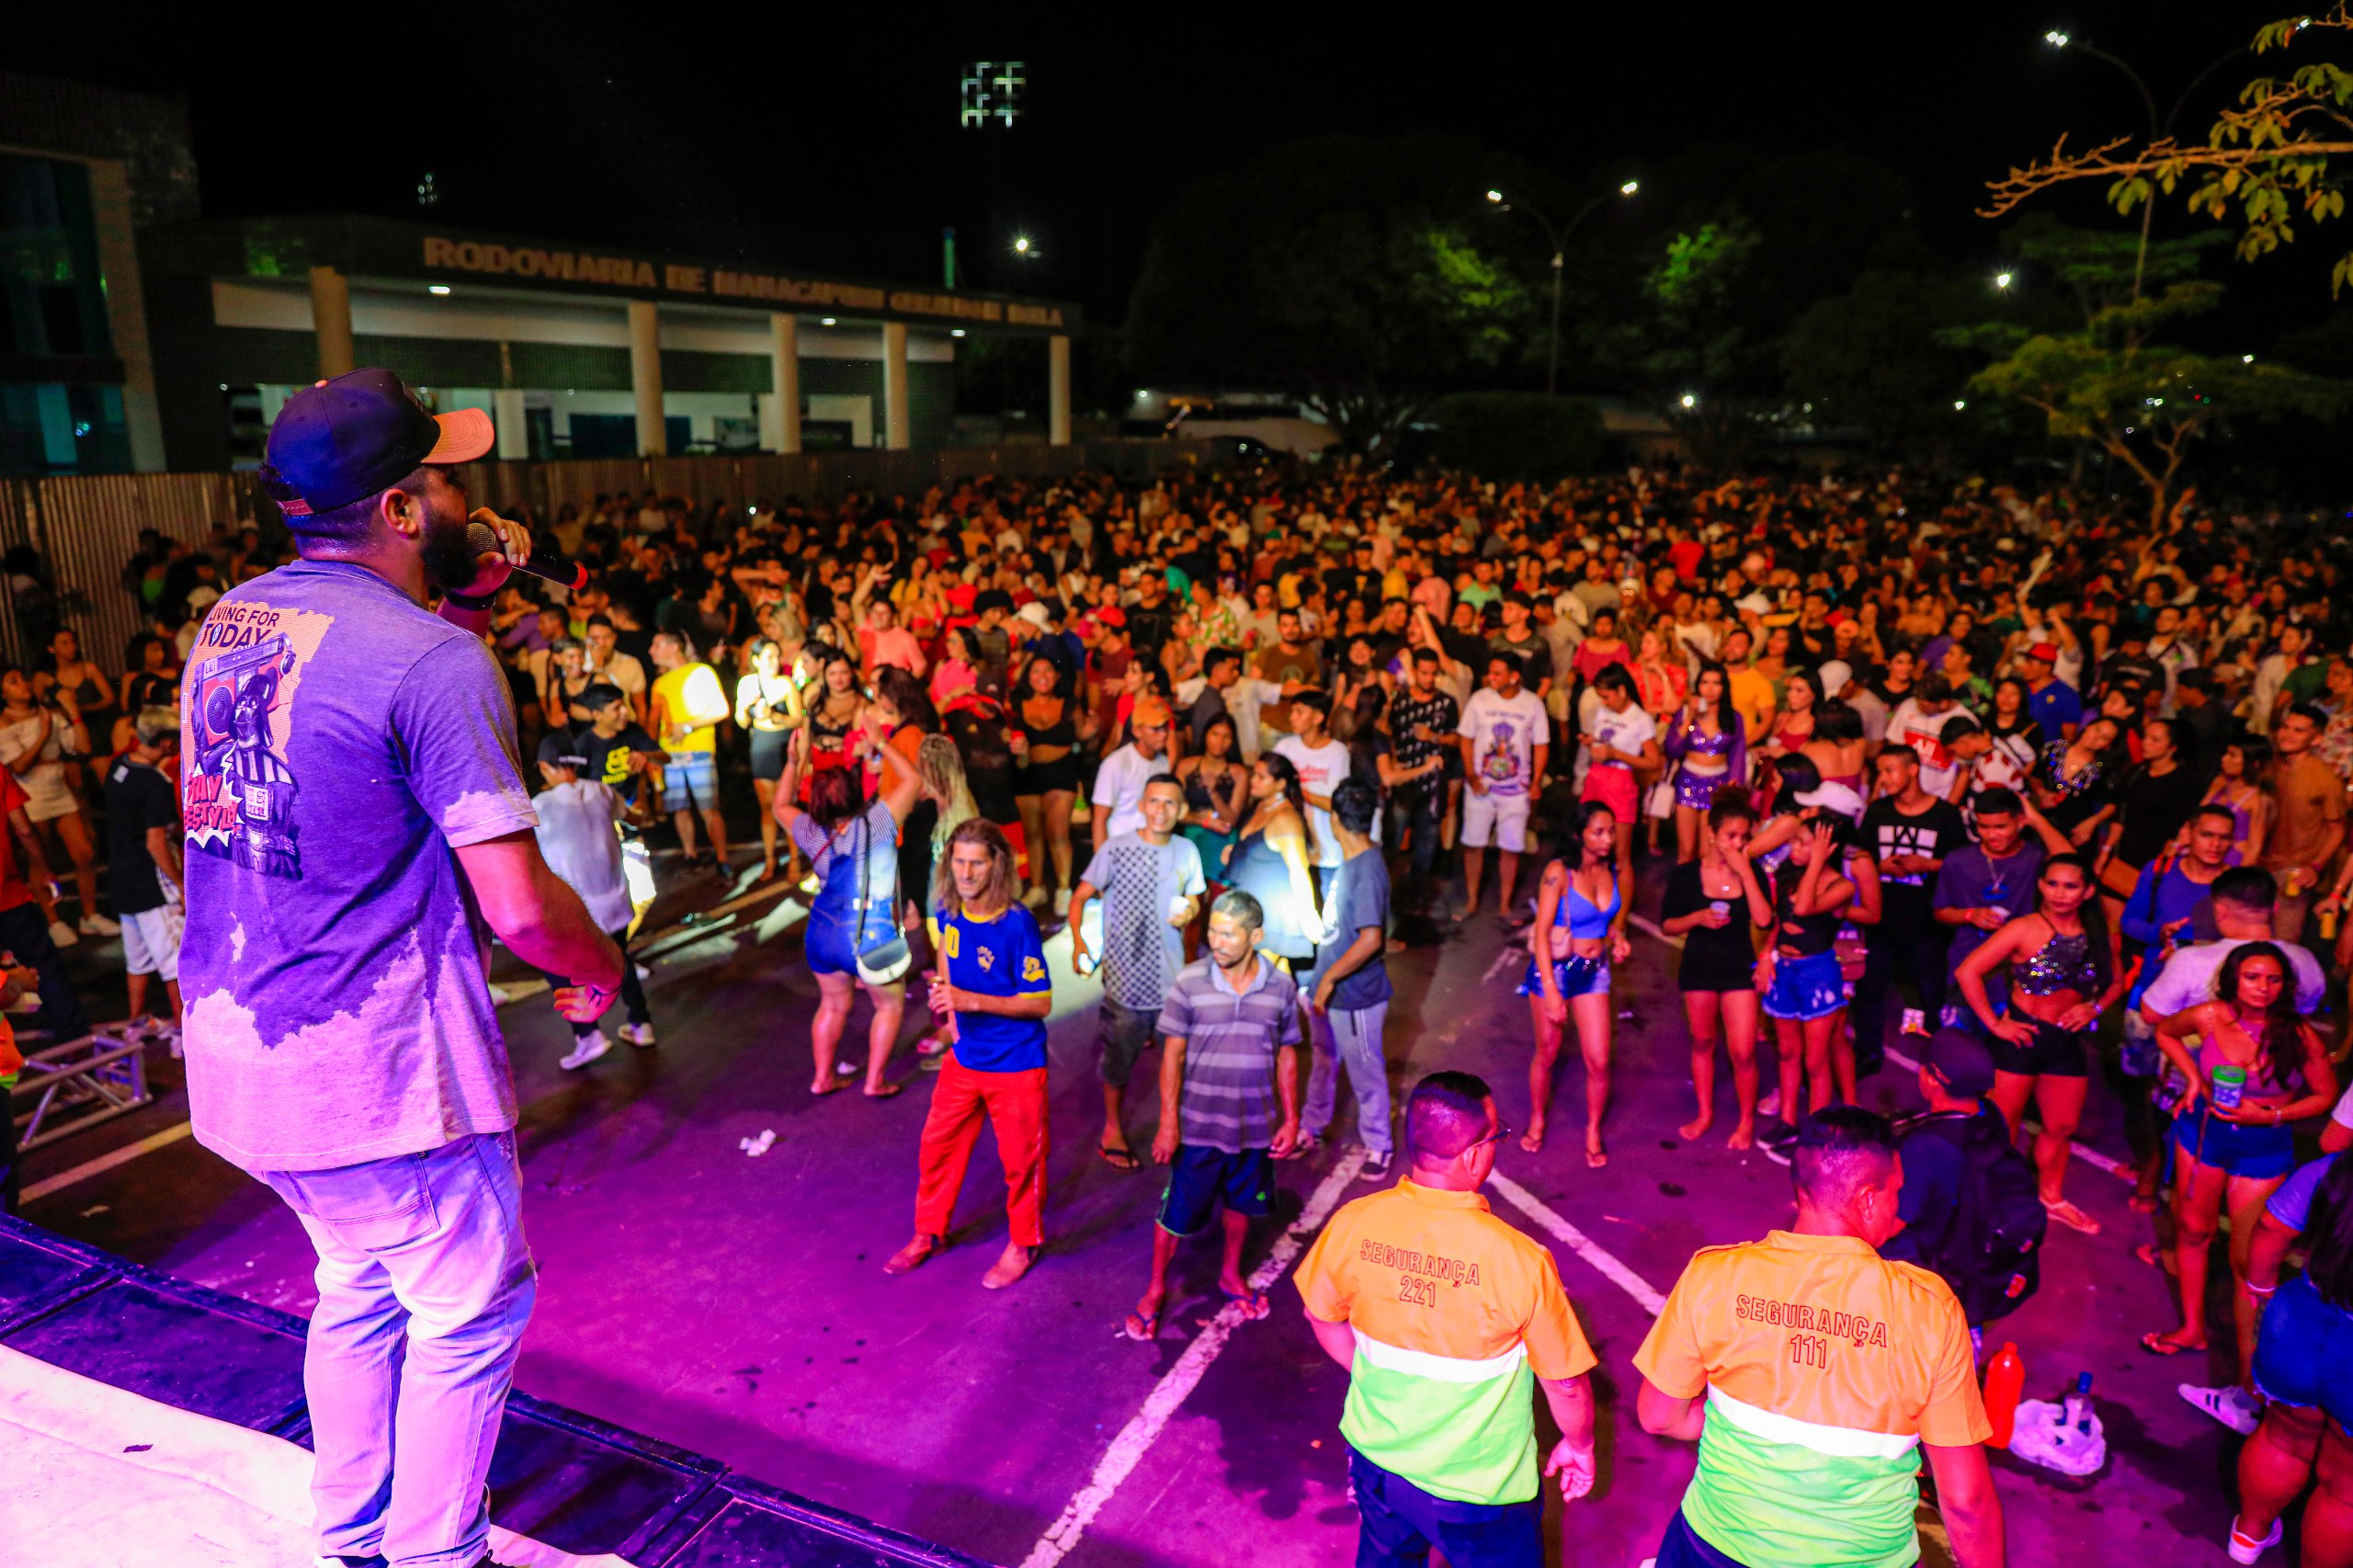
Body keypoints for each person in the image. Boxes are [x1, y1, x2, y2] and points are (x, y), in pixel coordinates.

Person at [187, 369, 623, 1568]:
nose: (458, 492)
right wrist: (601, 966)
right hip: (376, 1069)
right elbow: (522, 906)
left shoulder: (230, 623)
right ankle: (435, 1551)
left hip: (244, 1057)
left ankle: (350, 1524)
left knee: (359, 1284)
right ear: (394, 508)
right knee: (468, 1307)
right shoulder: (433, 662)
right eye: (437, 477)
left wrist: (461, 584)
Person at [1634, 1107, 2005, 1568]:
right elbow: (1965, 1503)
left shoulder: (1716, 1275)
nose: (1899, 1206)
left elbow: (1657, 1416)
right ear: (1868, 1199)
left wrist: (1745, 1429)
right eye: (1897, 1192)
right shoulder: (1929, 1310)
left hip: (1713, 1550)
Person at [1294, 1071, 1599, 1568]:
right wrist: (1580, 1445)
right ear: (1475, 1154)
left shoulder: (1354, 1222)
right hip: (1479, 1492)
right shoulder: (1518, 1260)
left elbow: (1320, 1315)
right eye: (1498, 1135)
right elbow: (1565, 1385)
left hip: (1378, 1465)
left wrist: (1377, 1378)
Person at [2143, 942, 2339, 1432]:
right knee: (2191, 1231)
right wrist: (2192, 1080)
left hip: (2262, 1152)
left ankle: (2252, 1384)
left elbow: (2325, 1096)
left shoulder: (2296, 1034)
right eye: (2253, 977)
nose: (2263, 988)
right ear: (2233, 979)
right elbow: (2165, 1030)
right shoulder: (2210, 1016)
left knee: (2249, 1264)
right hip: (2203, 1137)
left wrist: (2268, 1113)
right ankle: (2191, 1329)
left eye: (2272, 980)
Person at [1123, 888, 1304, 1338]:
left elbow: (1287, 1054)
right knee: (1176, 1216)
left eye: (1228, 934)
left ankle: (1229, 1275)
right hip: (1199, 1127)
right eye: (1212, 933)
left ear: (1255, 935)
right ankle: (1155, 1288)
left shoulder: (1280, 988)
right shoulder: (1189, 982)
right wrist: (1168, 1123)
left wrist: (1292, 1117)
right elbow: (1172, 1057)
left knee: (1241, 1207)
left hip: (1255, 1127)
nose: (1217, 942)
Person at [889, 819, 1053, 1290]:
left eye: (976, 862)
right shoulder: (949, 909)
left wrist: (968, 1001)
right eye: (959, 861)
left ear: (996, 864)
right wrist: (949, 1015)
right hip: (965, 1059)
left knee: (1022, 1162)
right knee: (936, 1148)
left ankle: (1024, 1243)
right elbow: (946, 961)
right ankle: (929, 1232)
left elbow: (1040, 1003)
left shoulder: (1017, 924)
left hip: (1017, 1065)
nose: (965, 871)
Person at [1952, 852, 2121, 1234]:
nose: (2060, 894)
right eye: (2052, 884)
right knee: (2001, 1127)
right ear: (2041, 886)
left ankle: (2052, 1196)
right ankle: (1990, 1201)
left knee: (2061, 1126)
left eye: (2071, 885)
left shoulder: (2100, 931)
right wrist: (1995, 1024)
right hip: (2022, 1036)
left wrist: (2093, 1008)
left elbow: (2116, 983)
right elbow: (1968, 971)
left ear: (2088, 890)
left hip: (2065, 1042)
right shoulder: (2025, 928)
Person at [1069, 773, 1205, 1172]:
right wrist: (1080, 943)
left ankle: (1169, 1124)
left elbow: (1196, 900)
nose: (1160, 810)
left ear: (1180, 811)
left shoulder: (1186, 851)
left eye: (1169, 804)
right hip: (1125, 983)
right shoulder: (1115, 849)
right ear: (1142, 806)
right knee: (1118, 1062)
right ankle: (1112, 1127)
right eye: (1154, 802)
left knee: (1175, 1060)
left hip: (1172, 982)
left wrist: (1191, 910)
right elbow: (1079, 899)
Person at [774, 724, 917, 1096]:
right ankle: (875, 1081)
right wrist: (883, 745)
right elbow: (913, 779)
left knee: (833, 1006)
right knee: (888, 1006)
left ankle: (823, 1078)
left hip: (823, 930)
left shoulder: (808, 829)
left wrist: (794, 762)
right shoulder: (880, 822)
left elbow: (779, 805)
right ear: (855, 792)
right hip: (870, 931)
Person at [2230, 1153, 2353, 1565]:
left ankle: (2247, 1537)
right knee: (2345, 1489)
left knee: (2283, 1437)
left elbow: (2271, 1227)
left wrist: (2261, 1287)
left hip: (2300, 1322)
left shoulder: (2337, 1167)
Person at [1883, 1028, 2045, 1333]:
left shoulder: (1923, 1148)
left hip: (1927, 1281)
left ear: (1932, 1080)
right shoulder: (1990, 1115)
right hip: (1970, 1270)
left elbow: (1890, 1225)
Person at [531, 737, 656, 1068]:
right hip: (615, 902)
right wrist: (642, 784)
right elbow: (634, 817)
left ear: (545, 767)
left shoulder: (540, 806)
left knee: (560, 971)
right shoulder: (602, 791)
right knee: (620, 961)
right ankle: (641, 1024)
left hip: (576, 912)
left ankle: (588, 1036)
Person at [1519, 801, 1631, 1166]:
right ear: (1578, 833)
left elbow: (1602, 921)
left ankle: (1593, 1129)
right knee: (1547, 1053)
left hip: (1593, 972)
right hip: (1555, 972)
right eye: (1599, 831)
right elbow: (1540, 934)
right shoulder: (1559, 873)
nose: (1608, 839)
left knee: (1599, 1060)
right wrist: (1551, 990)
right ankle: (1537, 1119)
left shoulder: (1611, 868)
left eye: (1611, 831)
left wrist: (1617, 937)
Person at [1662, 796, 1772, 1148]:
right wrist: (1697, 918)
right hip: (1699, 968)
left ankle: (1745, 1121)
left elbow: (1764, 918)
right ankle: (1705, 1113)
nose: (1738, 844)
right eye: (1731, 836)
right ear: (1712, 834)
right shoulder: (1686, 875)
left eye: (1743, 837)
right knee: (1704, 1042)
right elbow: (1668, 924)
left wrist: (1744, 871)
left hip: (1739, 968)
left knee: (1742, 1051)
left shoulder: (1750, 870)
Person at [1300, 778, 1395, 1176]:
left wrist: (1328, 980)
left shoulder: (1368, 869)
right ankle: (1313, 1124)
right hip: (1331, 992)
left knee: (1365, 1068)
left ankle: (1378, 1144)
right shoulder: (1354, 859)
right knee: (1323, 1060)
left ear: (1337, 821)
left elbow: (1371, 939)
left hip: (1356, 996)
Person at [1856, 744, 1969, 1068]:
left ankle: (1939, 1061)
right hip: (1881, 920)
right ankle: (1867, 1055)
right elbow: (1861, 858)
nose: (1884, 778)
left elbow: (1962, 864)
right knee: (1871, 990)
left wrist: (1926, 865)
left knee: (1932, 993)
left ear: (1913, 770)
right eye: (1881, 771)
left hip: (1928, 923)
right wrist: (1879, 868)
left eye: (1890, 770)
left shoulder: (1945, 815)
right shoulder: (1878, 811)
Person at [1759, 811, 1863, 1118]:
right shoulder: (1788, 873)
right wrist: (1767, 956)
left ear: (1829, 849)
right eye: (1797, 841)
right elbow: (1779, 923)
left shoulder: (1842, 886)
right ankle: (1788, 1121)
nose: (1796, 849)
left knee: (1815, 1062)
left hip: (1817, 973)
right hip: (1784, 970)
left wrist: (1816, 862)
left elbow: (1804, 908)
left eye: (1806, 844)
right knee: (1788, 1053)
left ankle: (1815, 1130)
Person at [105, 706, 184, 1035]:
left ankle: (133, 1027)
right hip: (151, 886)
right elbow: (156, 842)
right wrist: (179, 884)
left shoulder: (118, 767)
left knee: (137, 961)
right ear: (165, 742)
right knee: (174, 965)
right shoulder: (155, 782)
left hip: (122, 882)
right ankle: (184, 1037)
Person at [1457, 652, 1551, 922]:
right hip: (1481, 789)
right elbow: (1466, 739)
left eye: (1497, 673)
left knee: (1511, 848)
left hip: (1515, 791)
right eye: (1490, 672)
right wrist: (1471, 775)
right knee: (1473, 845)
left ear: (1515, 676)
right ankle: (1472, 900)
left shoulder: (1532, 704)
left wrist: (1535, 782)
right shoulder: (1479, 700)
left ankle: (1505, 904)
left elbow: (1541, 745)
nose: (1491, 678)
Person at [1222, 752, 1323, 973]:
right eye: (1254, 775)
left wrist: (1309, 916)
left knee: (1257, 980)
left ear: (1281, 784)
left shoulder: (1286, 818)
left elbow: (1299, 870)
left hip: (1272, 916)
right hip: (1250, 909)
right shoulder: (1261, 807)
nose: (1253, 781)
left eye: (1261, 777)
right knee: (1273, 978)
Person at [1009, 653, 1095, 915]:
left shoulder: (1069, 704)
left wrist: (1093, 732)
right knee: (1033, 834)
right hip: (1027, 772)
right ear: (1028, 676)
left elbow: (1083, 737)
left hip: (1062, 771)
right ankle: (1037, 887)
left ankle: (1063, 888)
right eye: (1036, 671)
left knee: (1058, 832)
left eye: (1048, 671)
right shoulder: (1017, 702)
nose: (1042, 676)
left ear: (1057, 676)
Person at [647, 630, 731, 870]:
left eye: (657, 645)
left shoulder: (700, 672)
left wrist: (686, 726)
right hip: (669, 755)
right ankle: (690, 854)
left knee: (709, 808)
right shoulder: (660, 683)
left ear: (674, 647)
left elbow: (721, 710)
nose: (652, 651)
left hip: (698, 752)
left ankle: (722, 859)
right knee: (679, 809)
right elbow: (655, 720)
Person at [1579, 664, 1658, 914]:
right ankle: (1591, 904)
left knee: (1621, 856)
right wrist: (1593, 742)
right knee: (1589, 847)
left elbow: (1654, 761)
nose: (1604, 702)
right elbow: (1603, 739)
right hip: (1596, 779)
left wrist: (1616, 753)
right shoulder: (1603, 712)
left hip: (1621, 783)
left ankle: (1621, 920)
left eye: (1606, 696)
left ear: (1622, 690)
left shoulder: (1640, 719)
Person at [2263, 704, 2346, 942]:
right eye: (2285, 728)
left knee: (2283, 940)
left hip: (2294, 870)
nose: (2287, 735)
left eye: (2298, 731)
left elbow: (2338, 828)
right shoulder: (2269, 767)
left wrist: (2316, 866)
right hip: (2260, 863)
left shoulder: (2325, 778)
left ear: (2317, 738)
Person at [1386, 647, 1460, 912]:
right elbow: (1389, 733)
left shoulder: (1447, 703)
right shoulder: (1401, 701)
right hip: (1404, 782)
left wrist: (1434, 737)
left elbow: (1457, 738)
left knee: (1426, 845)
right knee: (1393, 843)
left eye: (1434, 674)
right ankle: (1388, 896)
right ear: (1414, 672)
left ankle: (1417, 894)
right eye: (1424, 673)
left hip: (1431, 785)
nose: (1429, 679)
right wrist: (1393, 760)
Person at [734, 634, 804, 883]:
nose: (774, 661)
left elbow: (798, 718)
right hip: (761, 746)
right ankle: (770, 860)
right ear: (756, 660)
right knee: (766, 807)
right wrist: (744, 707)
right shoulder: (747, 684)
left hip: (783, 745)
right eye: (768, 657)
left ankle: (795, 859)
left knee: (787, 804)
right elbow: (742, 722)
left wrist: (775, 716)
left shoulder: (786, 684)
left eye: (777, 656)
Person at [1663, 663, 1746, 864]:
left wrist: (1734, 783)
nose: (1709, 688)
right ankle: (1683, 892)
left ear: (1724, 687)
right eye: (1704, 682)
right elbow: (1672, 749)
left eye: (1716, 683)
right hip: (1688, 783)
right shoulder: (1684, 714)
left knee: (1708, 850)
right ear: (1697, 686)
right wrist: (1689, 717)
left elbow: (1738, 753)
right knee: (1686, 848)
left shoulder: (1734, 718)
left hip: (1718, 785)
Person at [1275, 689, 1354, 892]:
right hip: (1290, 843)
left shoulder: (1337, 752)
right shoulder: (1284, 747)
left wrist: (1300, 794)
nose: (1292, 717)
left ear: (1318, 717)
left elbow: (1336, 802)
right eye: (1292, 711)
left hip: (1326, 847)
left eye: (1299, 712)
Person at [1092, 695, 1176, 844]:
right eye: (1156, 728)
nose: (1163, 734)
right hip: (1121, 851)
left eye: (1165, 727)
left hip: (1151, 853)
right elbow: (1099, 820)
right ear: (1137, 731)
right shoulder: (1116, 763)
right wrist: (1102, 863)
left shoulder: (1163, 763)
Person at [1174, 710, 1248, 875]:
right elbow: (1176, 812)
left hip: (1223, 839)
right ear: (1205, 734)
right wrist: (1205, 821)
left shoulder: (1238, 772)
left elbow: (1232, 818)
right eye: (1215, 734)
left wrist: (1213, 791)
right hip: (1192, 836)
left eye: (1226, 736)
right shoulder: (1186, 766)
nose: (1220, 741)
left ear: (1233, 740)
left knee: (1219, 889)